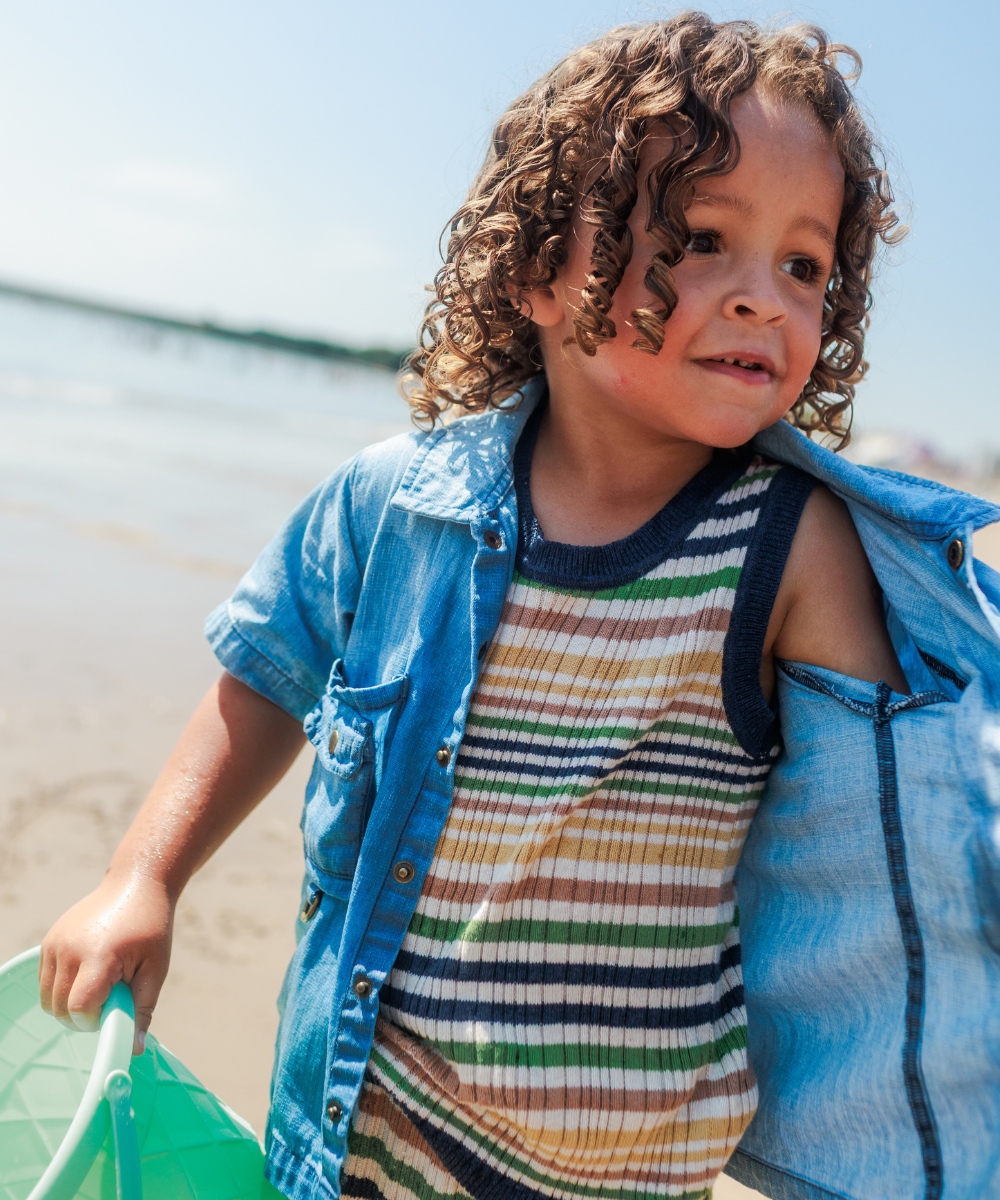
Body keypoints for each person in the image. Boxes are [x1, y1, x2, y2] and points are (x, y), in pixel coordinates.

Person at [37, 14, 1000, 1200]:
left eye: (804, 265)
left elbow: (907, 835)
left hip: (618, 1175)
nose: (764, 300)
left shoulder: (790, 546)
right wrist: (147, 876)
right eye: (702, 239)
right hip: (357, 1121)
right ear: (543, 268)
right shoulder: (400, 504)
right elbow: (267, 669)